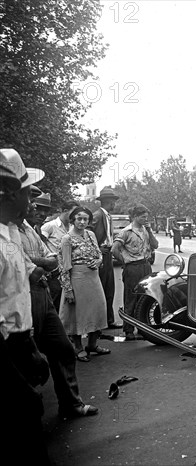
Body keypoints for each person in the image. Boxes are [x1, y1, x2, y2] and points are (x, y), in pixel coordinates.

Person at [19, 190, 98, 418]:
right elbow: (31, 267)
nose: (37, 209)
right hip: (23, 296)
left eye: (40, 206)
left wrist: (41, 263)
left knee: (63, 349)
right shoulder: (8, 231)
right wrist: (42, 263)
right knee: (27, 361)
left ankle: (71, 404)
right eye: (33, 203)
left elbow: (52, 260)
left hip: (42, 294)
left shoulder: (30, 229)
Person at [0, 148, 50, 464]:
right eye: (25, 193)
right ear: (8, 195)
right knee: (26, 408)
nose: (30, 202)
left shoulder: (12, 235)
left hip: (20, 338)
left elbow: (23, 273)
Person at [58, 206, 110, 362]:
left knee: (98, 310)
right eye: (79, 218)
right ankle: (78, 347)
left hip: (93, 278)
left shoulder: (91, 234)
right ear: (73, 219)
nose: (82, 222)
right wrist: (68, 289)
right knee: (77, 314)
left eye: (85, 219)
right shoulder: (67, 239)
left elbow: (98, 253)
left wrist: (99, 260)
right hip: (77, 279)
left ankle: (92, 345)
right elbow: (64, 265)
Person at [111, 204, 158, 341]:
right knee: (131, 298)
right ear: (135, 217)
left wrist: (149, 230)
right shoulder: (126, 232)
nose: (145, 219)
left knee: (144, 298)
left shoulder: (145, 230)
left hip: (145, 265)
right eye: (143, 217)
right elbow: (114, 249)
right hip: (132, 267)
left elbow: (155, 245)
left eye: (146, 217)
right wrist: (124, 262)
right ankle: (128, 329)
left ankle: (142, 327)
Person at [90, 186, 121, 329]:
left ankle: (108, 320)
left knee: (109, 289)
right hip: (101, 254)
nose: (114, 204)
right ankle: (100, 322)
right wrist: (97, 249)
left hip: (107, 254)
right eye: (113, 201)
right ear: (109, 202)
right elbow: (88, 235)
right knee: (101, 289)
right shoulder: (97, 215)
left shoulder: (107, 216)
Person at [42, 199, 80, 310]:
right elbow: (41, 245)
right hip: (55, 272)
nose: (74, 216)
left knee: (67, 302)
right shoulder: (50, 226)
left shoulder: (73, 228)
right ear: (64, 210)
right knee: (54, 300)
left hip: (69, 270)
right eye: (72, 213)